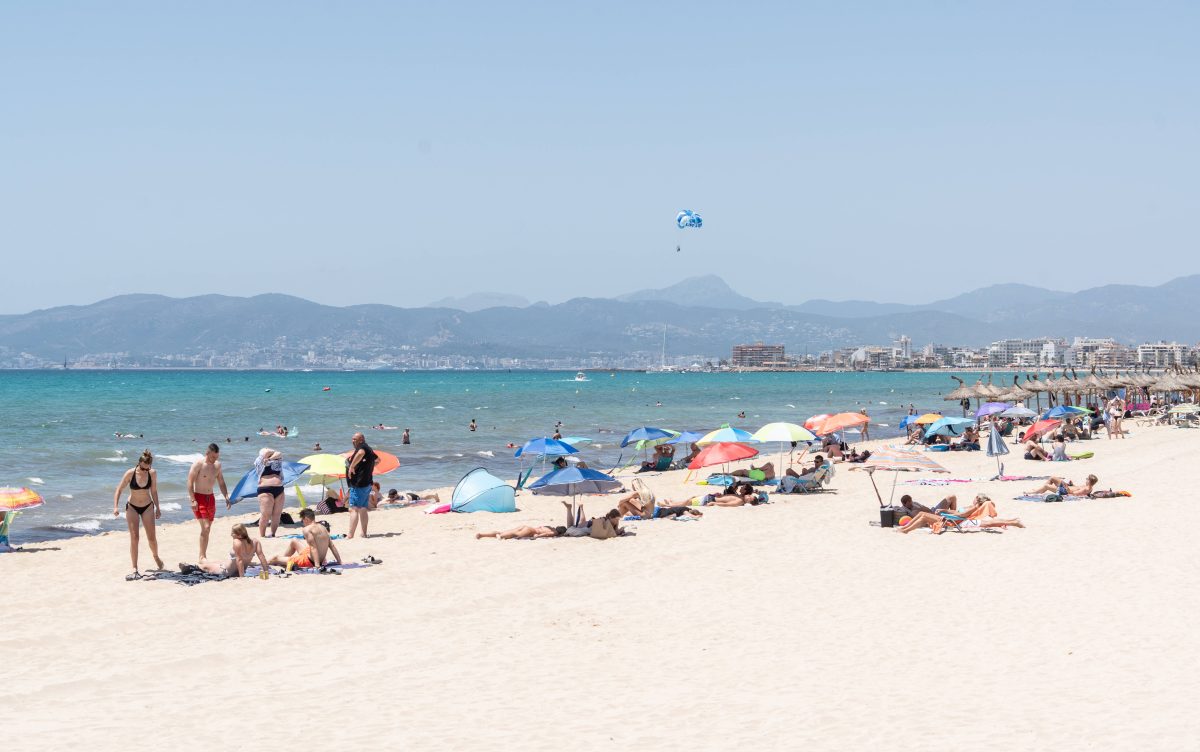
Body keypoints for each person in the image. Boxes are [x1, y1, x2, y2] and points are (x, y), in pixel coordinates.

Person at [112, 449, 163, 578]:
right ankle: (134, 568)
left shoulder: (152, 473)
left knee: (152, 538)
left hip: (147, 506)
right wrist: (116, 507)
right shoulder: (130, 473)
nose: (146, 470)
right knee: (135, 538)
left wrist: (158, 508)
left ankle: (156, 556)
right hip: (132, 507)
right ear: (139, 463)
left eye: (148, 468)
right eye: (143, 468)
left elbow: (154, 491)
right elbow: (119, 489)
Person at [186, 443, 230, 560]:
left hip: (211, 499)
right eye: (213, 457)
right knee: (205, 527)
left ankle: (202, 555)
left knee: (207, 529)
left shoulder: (217, 465)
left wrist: (226, 496)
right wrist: (192, 500)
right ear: (207, 453)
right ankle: (202, 556)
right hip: (199, 498)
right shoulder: (198, 465)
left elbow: (221, 482)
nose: (214, 459)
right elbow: (189, 482)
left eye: (216, 457)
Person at [183, 523, 270, 578]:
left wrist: (242, 577)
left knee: (204, 567)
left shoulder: (237, 542)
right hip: (237, 569)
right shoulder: (255, 542)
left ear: (239, 535)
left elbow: (239, 560)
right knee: (217, 562)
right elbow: (262, 557)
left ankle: (191, 566)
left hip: (226, 571)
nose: (231, 534)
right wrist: (266, 572)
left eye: (233, 533)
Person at [269, 508, 342, 570]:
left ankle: (277, 561)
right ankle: (283, 561)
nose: (303, 523)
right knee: (294, 541)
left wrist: (317, 565)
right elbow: (332, 546)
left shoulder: (307, 529)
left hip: (310, 561)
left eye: (302, 521)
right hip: (316, 558)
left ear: (306, 519)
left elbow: (313, 547)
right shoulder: (323, 527)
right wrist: (339, 561)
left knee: (275, 558)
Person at [346, 432, 378, 538]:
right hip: (366, 482)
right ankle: (363, 533)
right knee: (363, 509)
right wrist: (366, 467)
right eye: (352, 439)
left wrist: (351, 467)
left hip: (359, 484)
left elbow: (360, 453)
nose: (353, 441)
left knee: (354, 509)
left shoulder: (362, 447)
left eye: (355, 439)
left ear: (361, 439)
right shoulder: (369, 449)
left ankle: (350, 535)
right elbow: (378, 460)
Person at [254, 448, 287, 538]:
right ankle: (262, 536)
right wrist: (267, 457)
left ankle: (272, 534)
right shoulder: (260, 461)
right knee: (266, 515)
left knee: (277, 514)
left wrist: (270, 458)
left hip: (279, 489)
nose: (269, 451)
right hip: (265, 490)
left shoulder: (276, 461)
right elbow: (267, 452)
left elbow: (279, 452)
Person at [1027, 474, 1099, 497]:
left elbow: (1073, 493)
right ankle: (1040, 490)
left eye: (1087, 479)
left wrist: (1067, 488)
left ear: (1089, 481)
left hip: (1064, 490)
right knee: (1052, 478)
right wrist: (1072, 484)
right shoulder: (1088, 487)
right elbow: (1077, 489)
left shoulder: (1086, 489)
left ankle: (1035, 492)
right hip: (1067, 487)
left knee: (1047, 486)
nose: (1086, 479)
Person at [476, 524, 566, 540]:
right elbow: (545, 534)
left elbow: (540, 528)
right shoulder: (554, 532)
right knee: (513, 535)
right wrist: (537, 536)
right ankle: (499, 536)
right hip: (530, 531)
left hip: (527, 527)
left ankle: (482, 535)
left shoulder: (549, 527)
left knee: (504, 532)